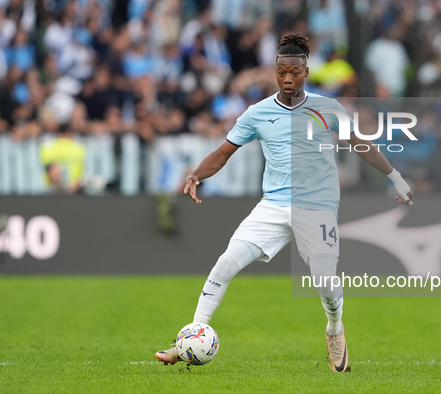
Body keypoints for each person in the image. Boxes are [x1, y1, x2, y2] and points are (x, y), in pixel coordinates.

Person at [155, 33, 413, 372]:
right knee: (226, 262)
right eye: (281, 73)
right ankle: (189, 338)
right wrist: (196, 175)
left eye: (294, 72)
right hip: (274, 204)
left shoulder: (328, 109)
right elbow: (223, 152)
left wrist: (395, 177)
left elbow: (361, 144)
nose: (287, 78)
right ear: (274, 72)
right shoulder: (257, 113)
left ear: (306, 71)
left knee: (324, 280)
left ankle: (335, 331)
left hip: (317, 205)